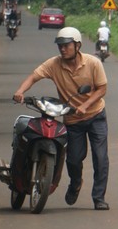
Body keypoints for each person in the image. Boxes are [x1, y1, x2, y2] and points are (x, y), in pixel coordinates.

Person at [12, 27, 110, 211]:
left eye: (66, 45)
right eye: (60, 46)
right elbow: (34, 76)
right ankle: (75, 183)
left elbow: (102, 89)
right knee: (73, 159)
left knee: (101, 157)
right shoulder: (54, 64)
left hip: (96, 115)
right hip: (73, 120)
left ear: (77, 45)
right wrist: (20, 91)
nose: (62, 49)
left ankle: (99, 198)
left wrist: (85, 105)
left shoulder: (93, 63)